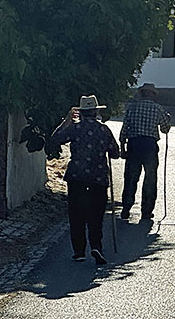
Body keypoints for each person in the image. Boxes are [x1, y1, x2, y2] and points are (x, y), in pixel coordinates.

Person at [49, 94, 120, 265]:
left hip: (77, 177)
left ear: (81, 112)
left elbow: (55, 139)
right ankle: (96, 246)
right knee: (96, 215)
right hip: (98, 177)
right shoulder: (104, 130)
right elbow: (115, 153)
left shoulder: (75, 128)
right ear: (95, 111)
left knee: (76, 214)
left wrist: (66, 121)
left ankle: (79, 251)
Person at [119, 83, 171, 221]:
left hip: (134, 145)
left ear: (141, 93)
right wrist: (168, 119)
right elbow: (165, 129)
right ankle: (147, 211)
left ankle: (126, 208)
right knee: (150, 179)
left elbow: (125, 127)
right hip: (149, 146)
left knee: (130, 178)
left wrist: (122, 147)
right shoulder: (158, 109)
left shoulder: (132, 108)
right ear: (153, 95)